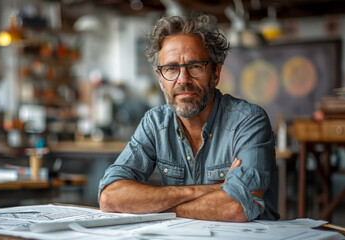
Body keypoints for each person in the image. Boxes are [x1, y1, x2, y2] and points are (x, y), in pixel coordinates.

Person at [98, 14, 279, 222]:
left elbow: (235, 208)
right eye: (171, 68)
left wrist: (154, 208)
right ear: (160, 79)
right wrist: (211, 191)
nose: (183, 80)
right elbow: (110, 197)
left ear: (216, 73)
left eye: (194, 66)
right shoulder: (155, 124)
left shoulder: (248, 121)